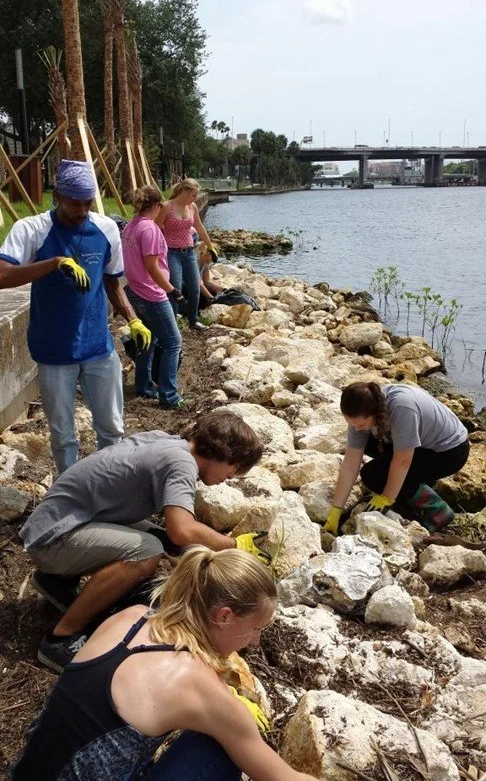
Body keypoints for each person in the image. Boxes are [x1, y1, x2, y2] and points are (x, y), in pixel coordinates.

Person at [9, 546, 320, 781]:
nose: (254, 642)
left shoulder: (130, 617)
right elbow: (283, 777)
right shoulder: (196, 685)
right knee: (217, 750)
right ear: (224, 616)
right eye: (256, 629)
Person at [21, 410, 271, 672]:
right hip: (51, 539)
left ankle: (57, 581)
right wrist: (233, 546)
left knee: (158, 537)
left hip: (55, 523)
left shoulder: (166, 442)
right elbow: (182, 530)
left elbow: (175, 536)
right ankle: (60, 638)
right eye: (236, 467)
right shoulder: (182, 463)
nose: (233, 476)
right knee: (146, 552)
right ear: (224, 451)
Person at [0, 160, 151, 474]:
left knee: (111, 426)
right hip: (54, 350)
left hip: (98, 346)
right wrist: (55, 263)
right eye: (74, 203)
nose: (82, 209)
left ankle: (106, 482)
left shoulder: (106, 228)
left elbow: (112, 281)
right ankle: (70, 488)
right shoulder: (32, 229)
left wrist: (133, 318)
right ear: (58, 196)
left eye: (87, 202)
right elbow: (3, 274)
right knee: (63, 431)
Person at [323, 381, 470, 535]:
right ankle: (417, 484)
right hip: (421, 446)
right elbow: (350, 464)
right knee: (368, 444)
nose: (356, 429)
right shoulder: (363, 412)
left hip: (450, 451)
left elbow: (402, 462)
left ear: (375, 413)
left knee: (373, 476)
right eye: (352, 424)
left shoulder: (402, 408)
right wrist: (336, 511)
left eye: (361, 424)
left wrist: (386, 499)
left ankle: (438, 511)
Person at [122, 185, 184, 408]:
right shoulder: (149, 229)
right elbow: (152, 265)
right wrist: (172, 291)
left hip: (135, 290)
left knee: (148, 341)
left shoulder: (131, 226)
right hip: (152, 294)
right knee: (173, 342)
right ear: (157, 205)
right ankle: (169, 395)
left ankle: (144, 385)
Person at [156, 178, 217, 331]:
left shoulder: (192, 207)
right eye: (193, 195)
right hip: (172, 253)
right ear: (184, 192)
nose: (195, 198)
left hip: (189, 252)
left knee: (195, 288)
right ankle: (173, 323)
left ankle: (193, 320)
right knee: (175, 288)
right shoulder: (166, 207)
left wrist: (210, 246)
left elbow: (199, 227)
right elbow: (155, 230)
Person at [196, 241, 224, 309]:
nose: (211, 261)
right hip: (186, 287)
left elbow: (207, 282)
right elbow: (198, 284)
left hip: (197, 286)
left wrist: (223, 290)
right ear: (206, 253)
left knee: (214, 291)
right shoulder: (195, 263)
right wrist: (212, 298)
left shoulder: (205, 264)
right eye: (212, 258)